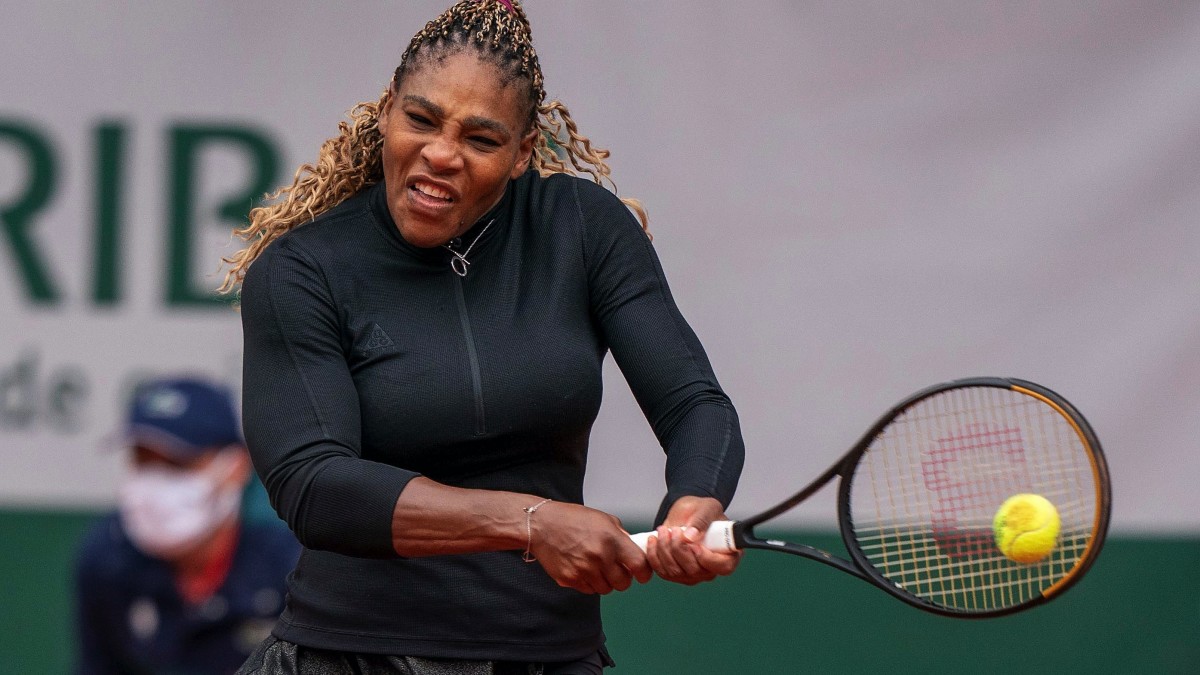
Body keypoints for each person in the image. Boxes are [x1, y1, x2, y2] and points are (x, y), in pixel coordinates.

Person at [222, 1, 745, 672]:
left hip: (548, 653)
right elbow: (315, 486)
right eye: (421, 119)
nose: (441, 154)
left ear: (524, 152)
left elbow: (695, 402)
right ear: (387, 110)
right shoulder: (302, 270)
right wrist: (530, 520)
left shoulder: (585, 229)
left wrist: (692, 505)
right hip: (351, 654)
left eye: (480, 138)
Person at [74, 377, 301, 675]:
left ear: (235, 467)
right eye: (143, 461)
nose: (155, 484)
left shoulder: (293, 571)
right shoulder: (105, 561)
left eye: (178, 463)